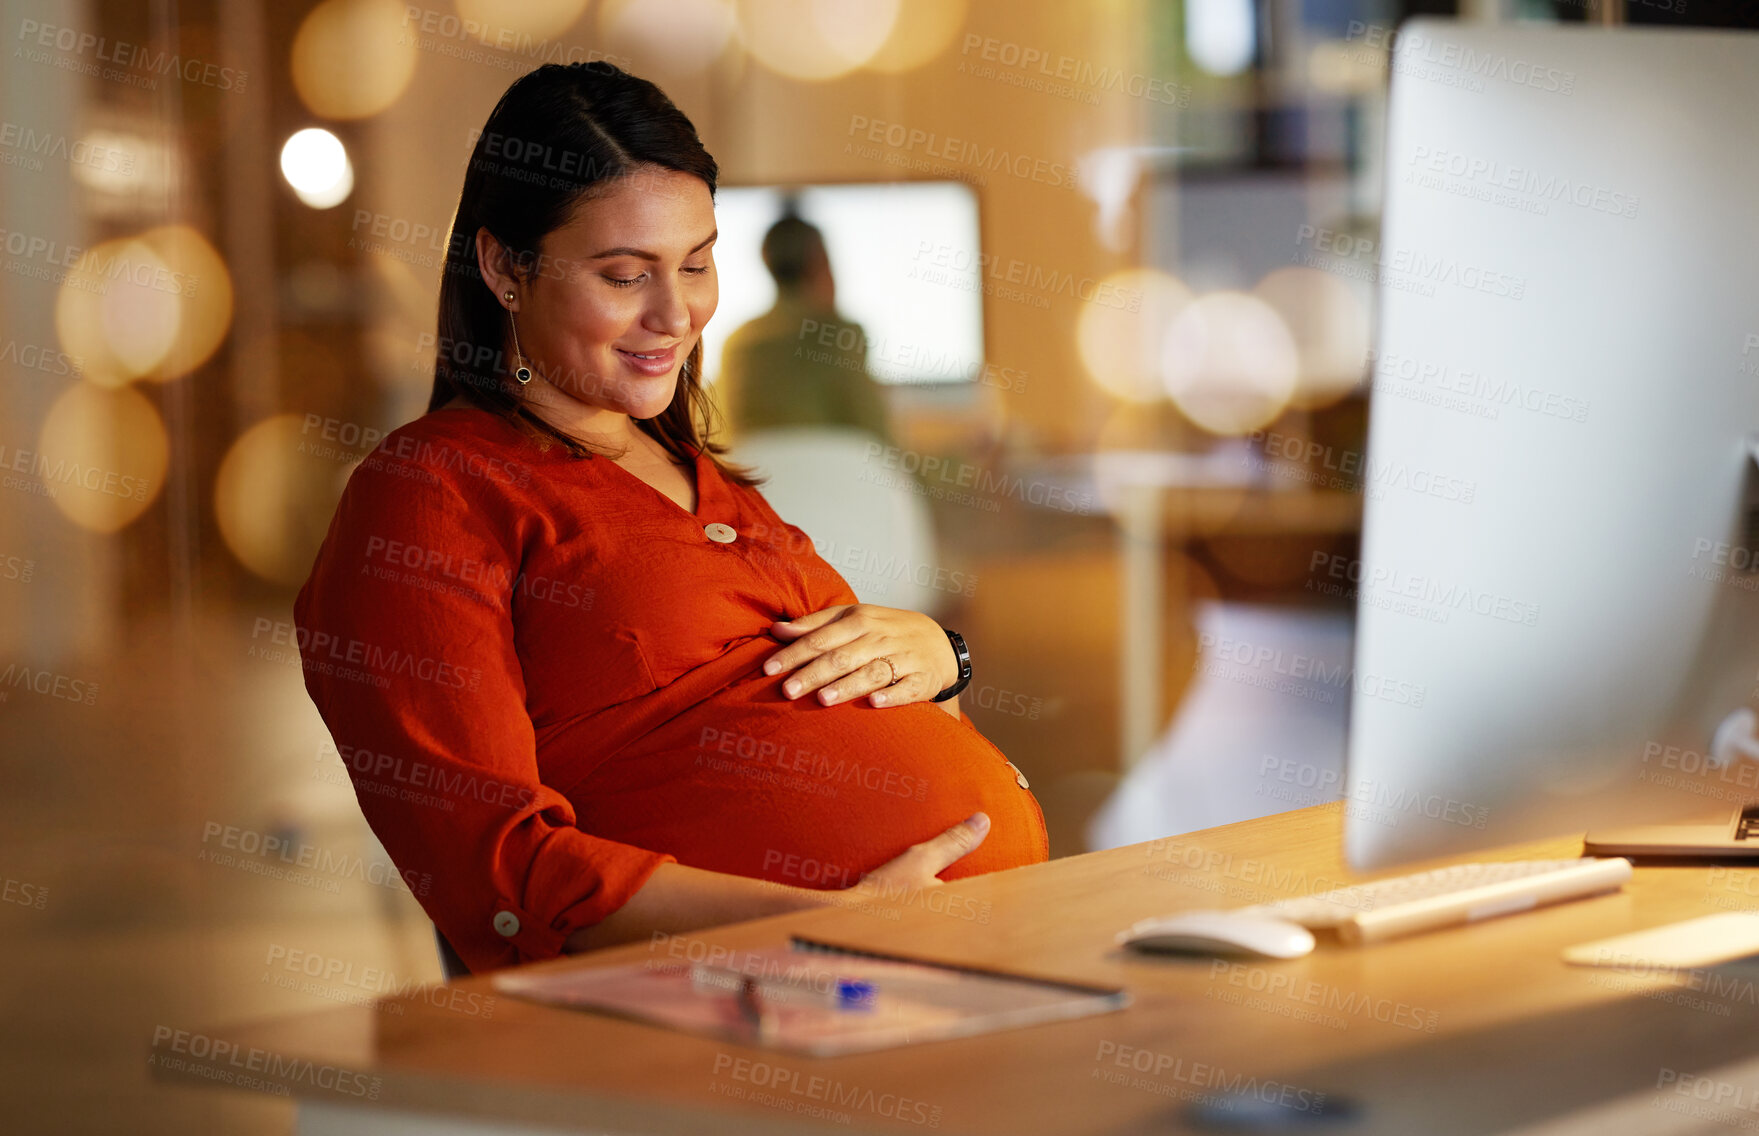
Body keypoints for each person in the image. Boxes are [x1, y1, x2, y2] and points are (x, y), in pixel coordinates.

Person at [293, 61, 1047, 975]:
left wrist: (940, 658)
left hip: (943, 966)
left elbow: (860, 700)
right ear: (503, 267)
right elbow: (494, 869)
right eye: (623, 275)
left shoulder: (704, 480)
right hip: (755, 998)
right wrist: (821, 924)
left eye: (696, 264)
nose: (675, 313)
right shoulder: (430, 492)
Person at [713, 209, 892, 441]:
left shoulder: (737, 342)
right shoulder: (843, 335)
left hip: (751, 477)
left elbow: (724, 434)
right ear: (819, 263)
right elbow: (875, 432)